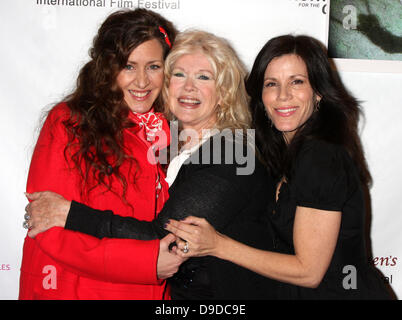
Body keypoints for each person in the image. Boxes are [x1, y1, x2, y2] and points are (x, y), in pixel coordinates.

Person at [24, 30, 278, 300]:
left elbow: (163, 234)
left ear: (223, 93)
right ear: (166, 86)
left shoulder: (230, 151)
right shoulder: (171, 143)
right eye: (179, 74)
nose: (188, 87)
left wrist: (70, 214)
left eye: (204, 77)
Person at [163, 35, 393, 299]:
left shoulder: (320, 157)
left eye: (297, 82)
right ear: (260, 94)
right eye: (272, 84)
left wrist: (218, 246)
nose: (283, 96)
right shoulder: (281, 152)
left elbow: (309, 271)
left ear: (318, 92)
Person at [19, 9, 182, 300]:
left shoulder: (176, 129)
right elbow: (49, 230)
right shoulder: (68, 121)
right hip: (72, 288)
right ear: (106, 68)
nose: (142, 82)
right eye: (129, 66)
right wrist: (146, 262)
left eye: (153, 67)